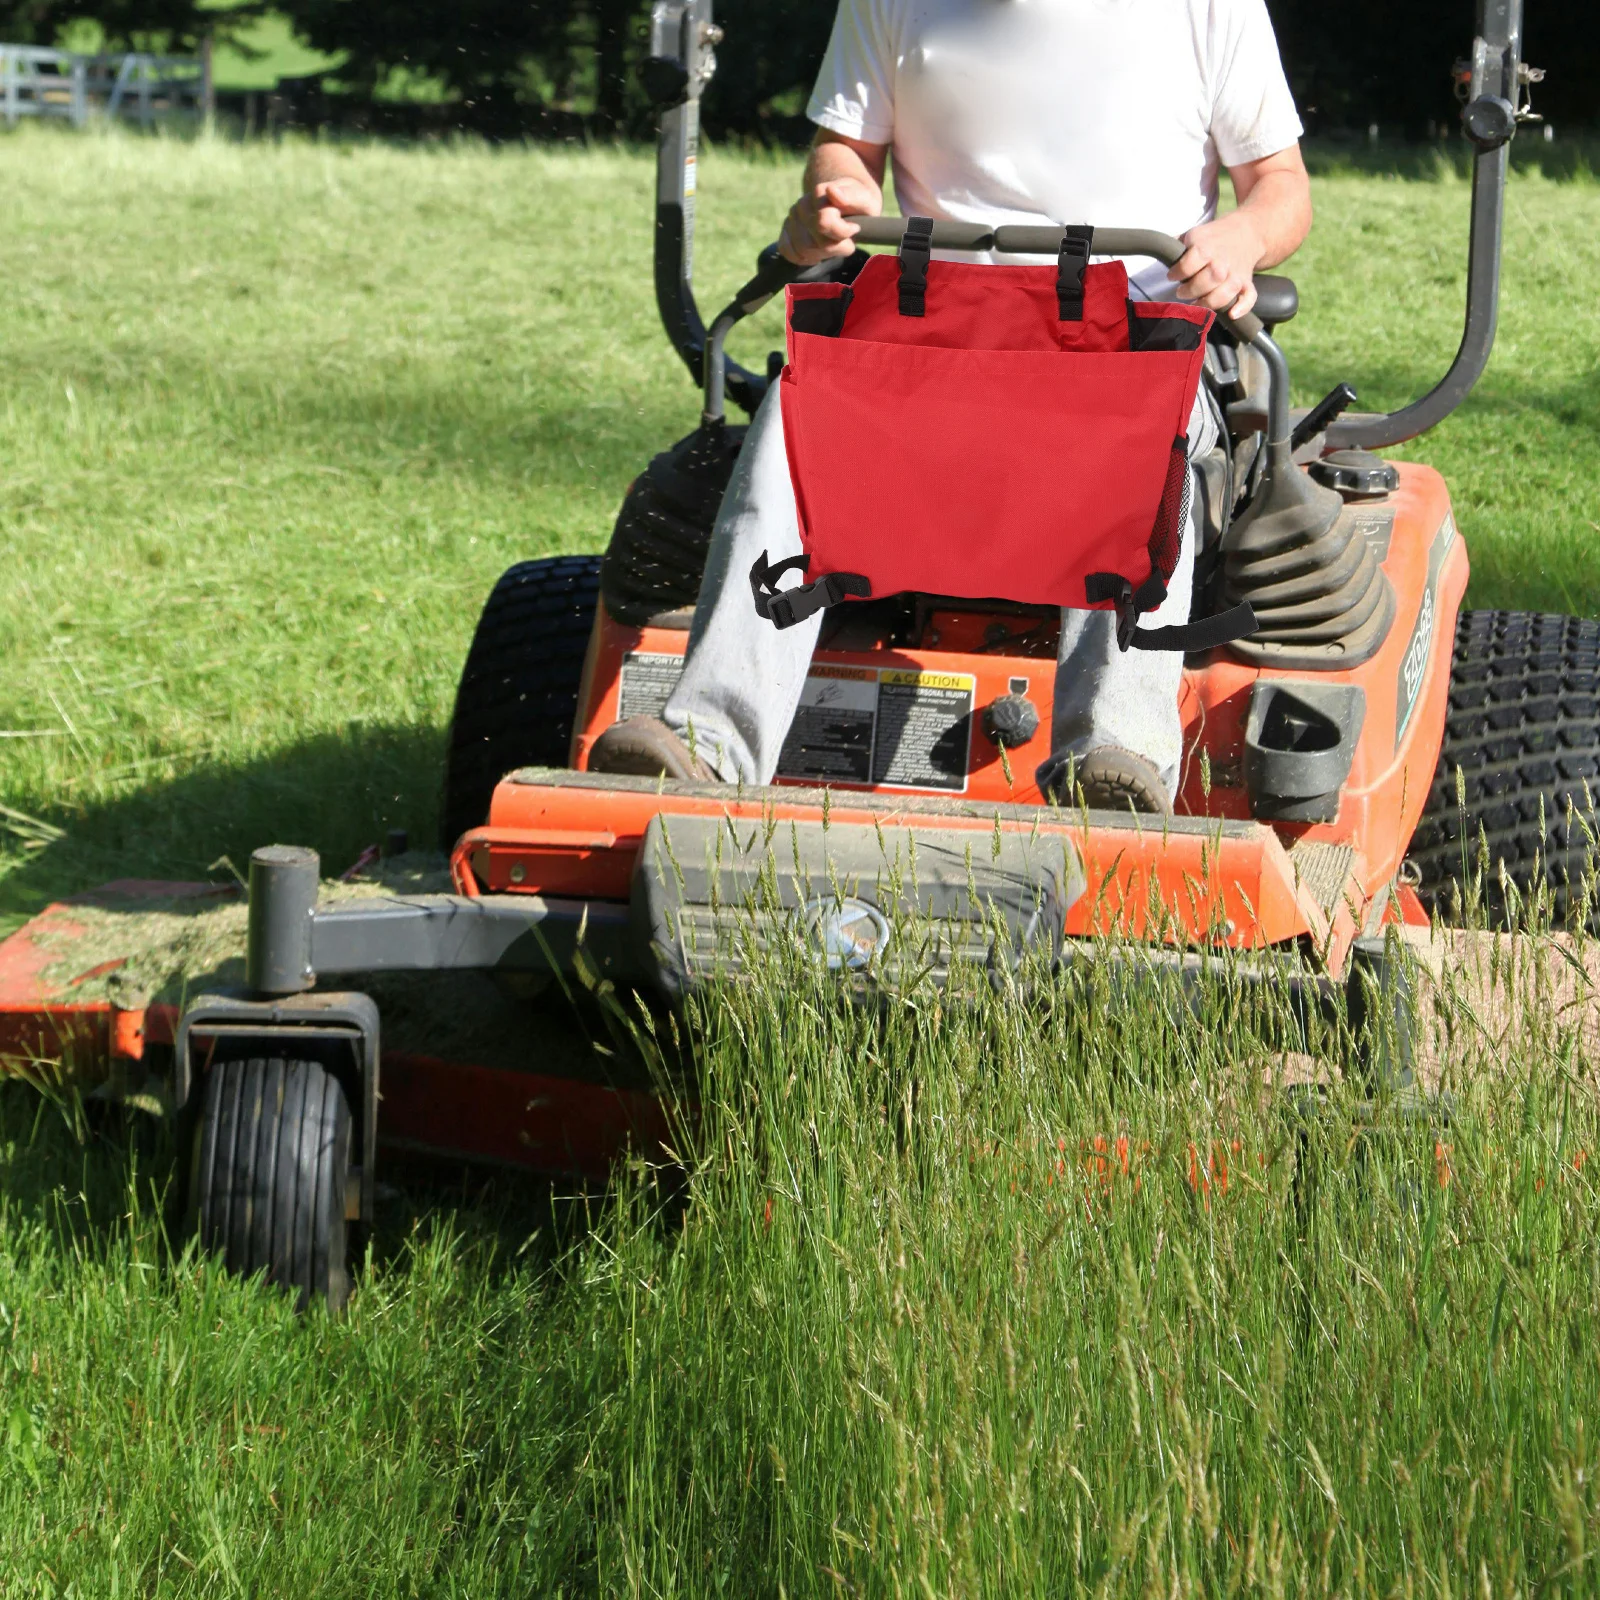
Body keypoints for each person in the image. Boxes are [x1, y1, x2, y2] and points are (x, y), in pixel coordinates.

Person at [591, 0, 1312, 813]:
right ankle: (708, 743)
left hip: (1132, 337)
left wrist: (1241, 240)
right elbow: (847, 148)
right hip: (934, 337)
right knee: (800, 411)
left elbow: (1280, 187)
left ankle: (1113, 756)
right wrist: (836, 197)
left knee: (1147, 438)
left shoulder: (1209, 8)